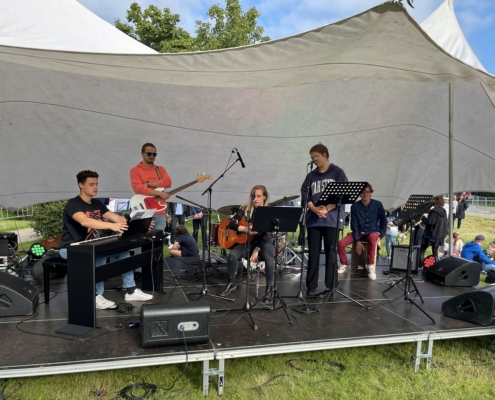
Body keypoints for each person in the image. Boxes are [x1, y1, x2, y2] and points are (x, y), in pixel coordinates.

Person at [58, 170, 153, 310]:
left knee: (123, 252)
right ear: (81, 185)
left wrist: (137, 223)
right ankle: (96, 295)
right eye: (91, 184)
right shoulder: (73, 204)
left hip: (93, 246)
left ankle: (131, 291)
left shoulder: (97, 204)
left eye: (96, 184)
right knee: (99, 255)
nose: (95, 187)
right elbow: (84, 221)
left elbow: (117, 218)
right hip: (70, 248)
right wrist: (111, 225)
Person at [301, 143, 348, 296]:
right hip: (314, 219)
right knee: (313, 253)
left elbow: (345, 195)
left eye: (316, 157)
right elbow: (305, 195)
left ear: (325, 155)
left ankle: (331, 286)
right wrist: (314, 209)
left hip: (331, 219)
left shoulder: (338, 173)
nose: (314, 160)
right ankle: (311, 286)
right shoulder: (311, 176)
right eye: (311, 158)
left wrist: (327, 207)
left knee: (330, 252)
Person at [218, 185, 275, 304]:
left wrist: (256, 251)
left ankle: (270, 289)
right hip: (249, 241)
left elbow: (267, 234)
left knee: (269, 257)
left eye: (259, 196)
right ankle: (231, 282)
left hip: (263, 242)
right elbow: (232, 224)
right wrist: (244, 229)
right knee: (233, 255)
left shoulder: (268, 210)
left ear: (264, 197)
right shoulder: (245, 208)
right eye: (254, 196)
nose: (256, 199)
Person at [337, 184, 387, 280]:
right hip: (358, 232)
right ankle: (343, 263)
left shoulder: (378, 204)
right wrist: (357, 241)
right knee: (341, 243)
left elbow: (384, 221)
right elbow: (354, 225)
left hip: (372, 231)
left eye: (367, 192)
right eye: (363, 192)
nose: (365, 194)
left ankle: (370, 265)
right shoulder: (355, 206)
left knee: (373, 238)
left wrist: (381, 236)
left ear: (371, 193)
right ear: (360, 194)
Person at [130, 143, 172, 231]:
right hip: (144, 211)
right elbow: (138, 188)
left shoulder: (160, 169)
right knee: (142, 240)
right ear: (142, 153)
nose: (152, 156)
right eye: (149, 154)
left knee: (157, 241)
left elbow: (168, 182)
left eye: (154, 154)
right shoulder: (135, 170)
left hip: (160, 212)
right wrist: (158, 193)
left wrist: (149, 184)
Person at [418, 196, 449, 265]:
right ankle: (435, 267)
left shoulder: (434, 211)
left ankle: (420, 265)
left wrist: (423, 217)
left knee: (422, 250)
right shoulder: (443, 211)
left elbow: (430, 222)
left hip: (431, 235)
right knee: (435, 253)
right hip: (439, 234)